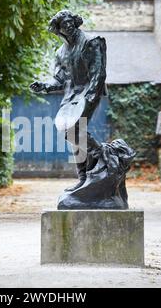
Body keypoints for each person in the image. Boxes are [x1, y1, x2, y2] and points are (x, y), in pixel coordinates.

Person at [30, 10, 107, 192]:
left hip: (88, 92)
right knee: (68, 132)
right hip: (70, 96)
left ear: (75, 22)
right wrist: (44, 86)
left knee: (74, 130)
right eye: (63, 25)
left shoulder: (92, 41)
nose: (68, 26)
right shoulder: (60, 52)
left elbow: (99, 73)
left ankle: (98, 154)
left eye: (70, 21)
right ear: (59, 30)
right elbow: (60, 80)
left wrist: (90, 96)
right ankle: (84, 174)